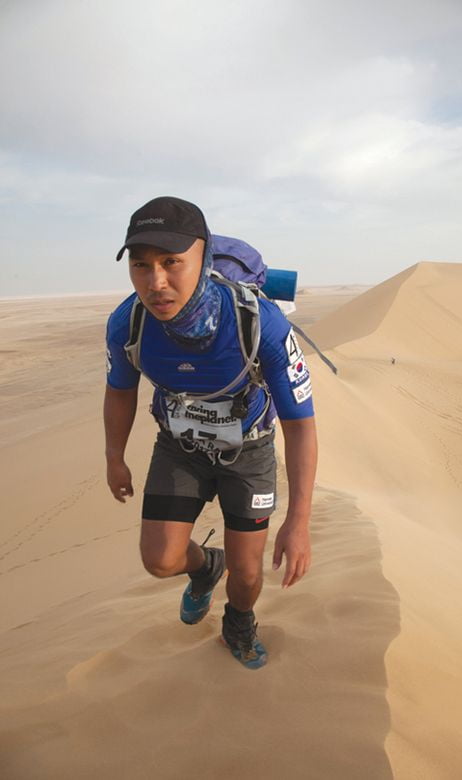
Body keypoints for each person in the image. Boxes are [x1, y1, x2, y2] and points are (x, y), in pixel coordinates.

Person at [104, 196, 317, 670]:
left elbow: (300, 424)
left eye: (171, 262)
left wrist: (299, 519)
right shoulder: (128, 322)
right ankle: (205, 569)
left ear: (203, 258)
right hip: (180, 447)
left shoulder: (259, 323)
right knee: (160, 560)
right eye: (141, 266)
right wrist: (113, 455)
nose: (156, 282)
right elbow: (119, 389)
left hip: (251, 450)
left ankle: (239, 622)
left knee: (247, 574)